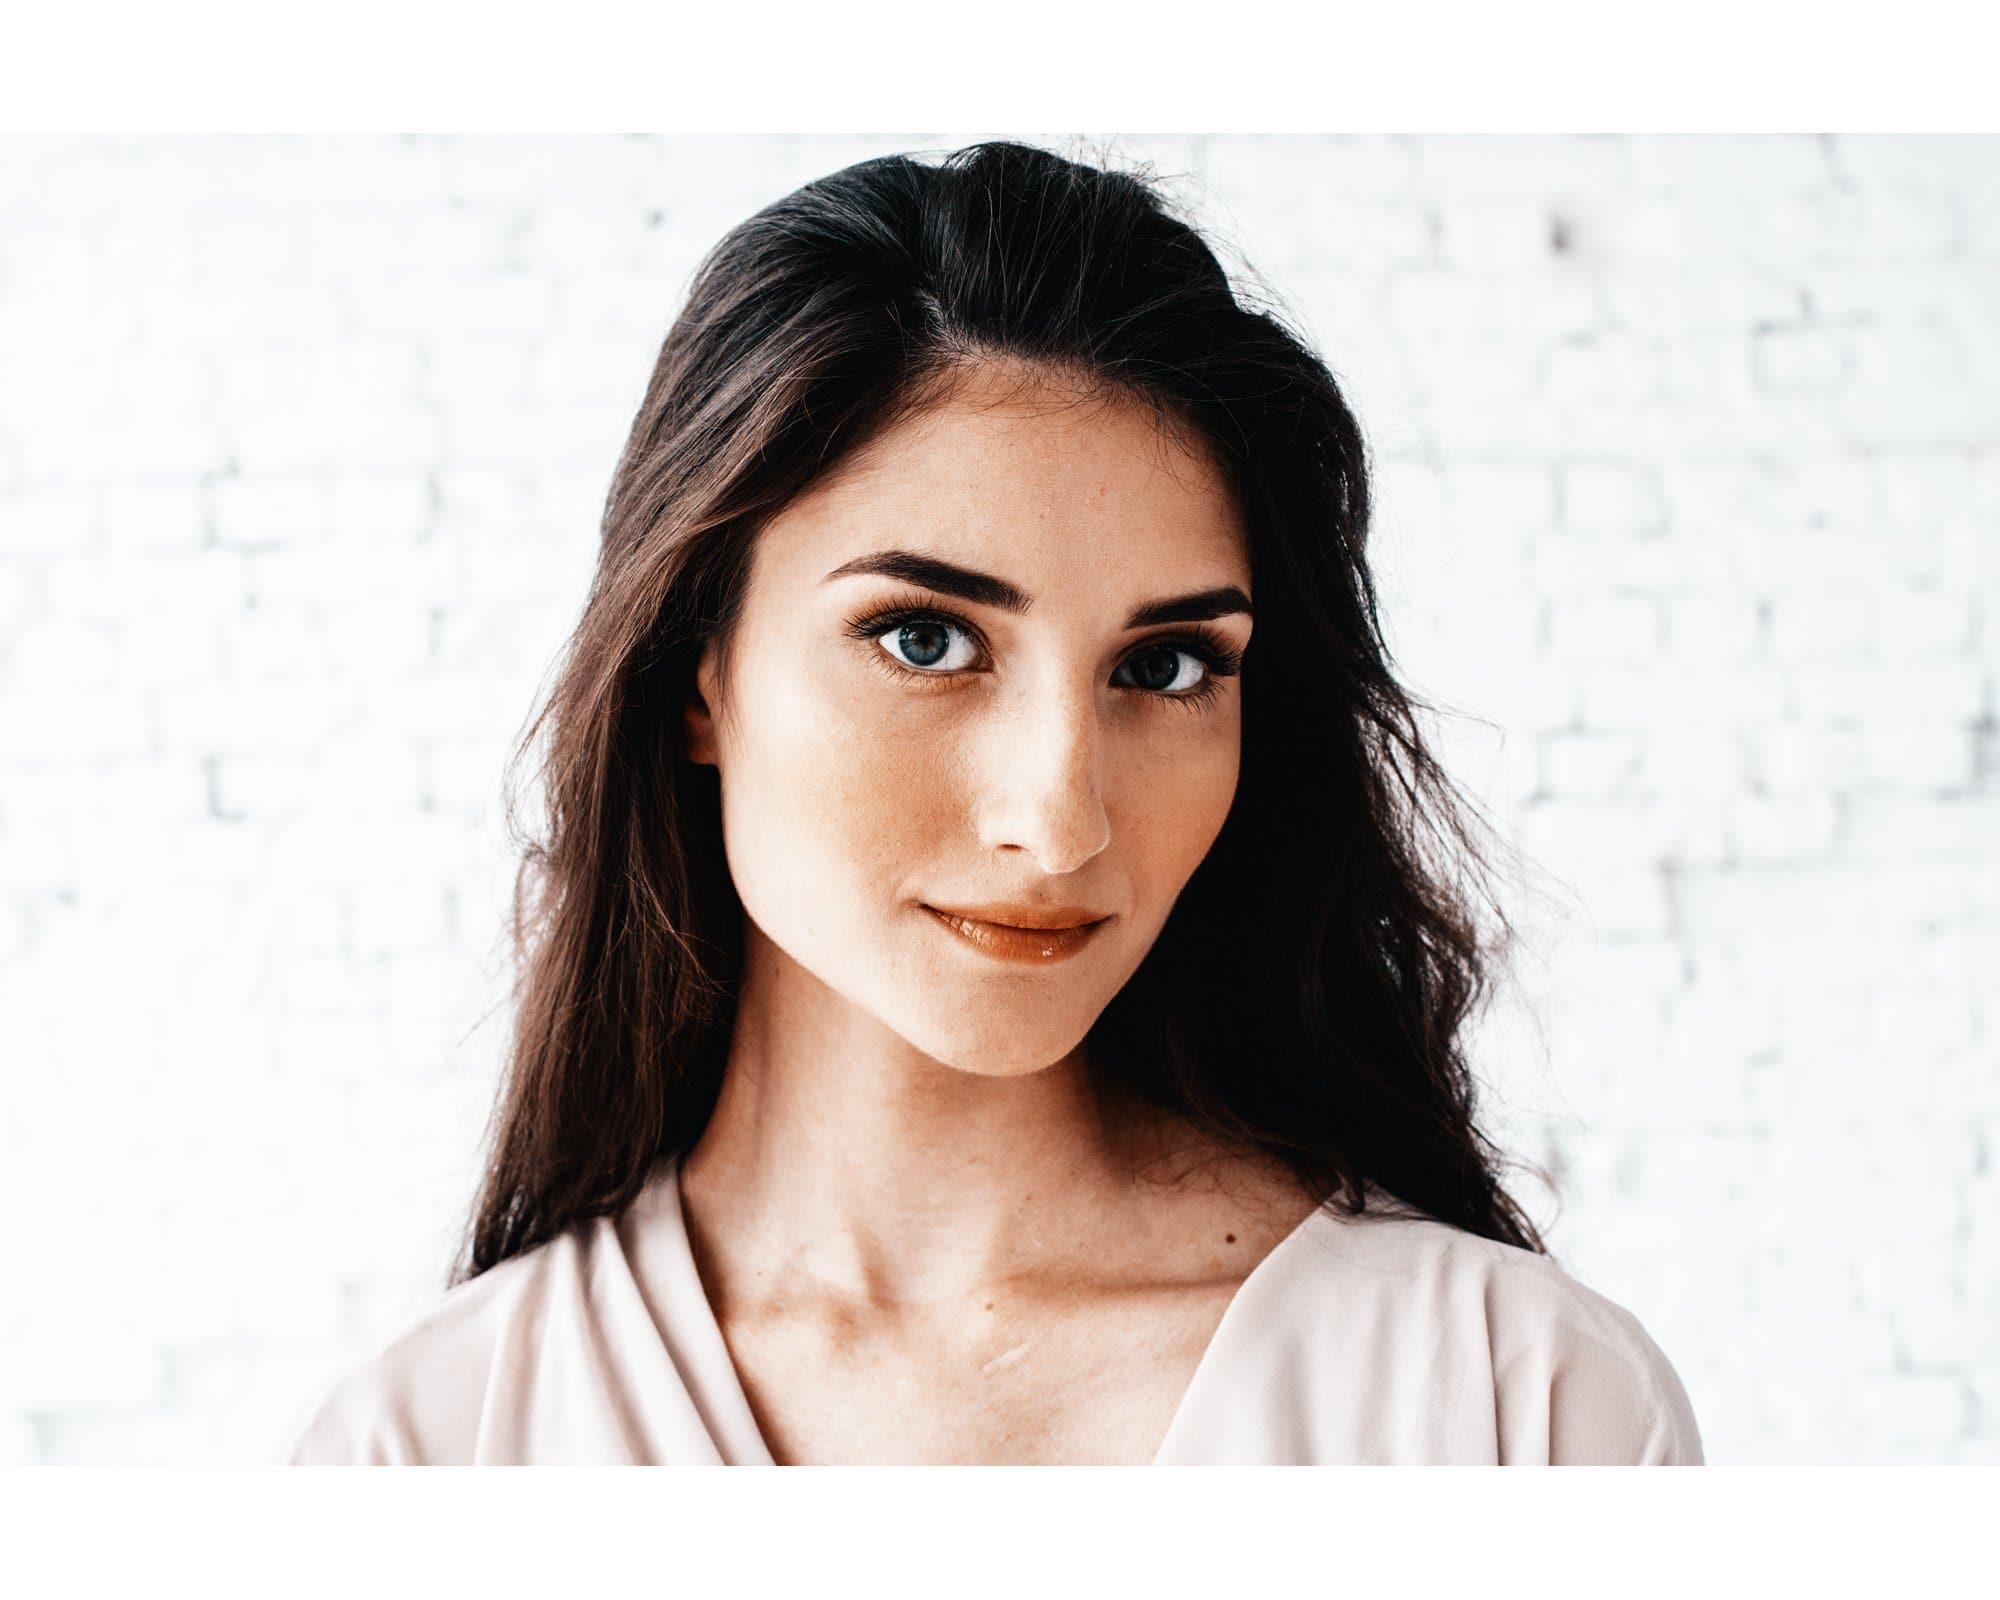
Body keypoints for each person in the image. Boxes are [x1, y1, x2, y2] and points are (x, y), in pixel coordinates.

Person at [281, 139, 1703, 1465]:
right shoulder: (429, 1451)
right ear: (695, 672)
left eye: (1164, 666)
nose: (1062, 822)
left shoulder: (1520, 1404)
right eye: (925, 639)